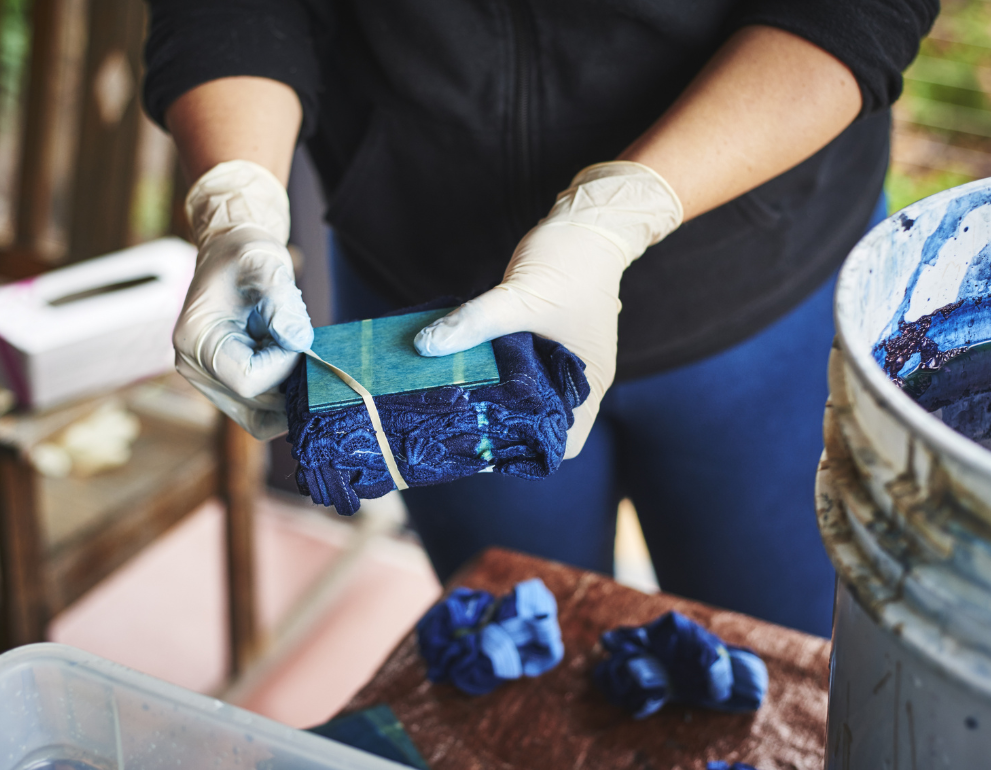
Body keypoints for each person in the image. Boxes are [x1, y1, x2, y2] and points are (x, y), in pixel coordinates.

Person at [143, 1, 937, 637]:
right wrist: (236, 205)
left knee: (789, 664)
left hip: (764, 287)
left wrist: (616, 216)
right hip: (427, 309)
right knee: (517, 666)